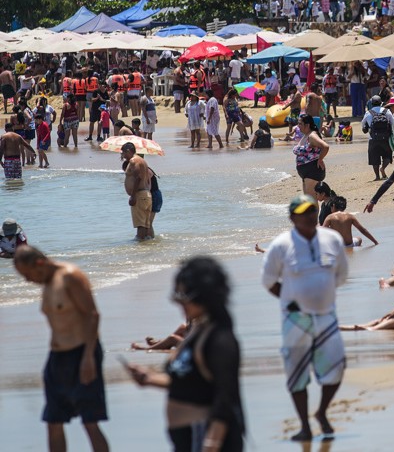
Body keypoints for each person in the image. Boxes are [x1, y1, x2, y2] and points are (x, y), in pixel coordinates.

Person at [125, 257, 245, 451]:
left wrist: (212, 443)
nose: (178, 302)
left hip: (205, 437)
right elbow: (191, 382)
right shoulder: (197, 331)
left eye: (183, 295)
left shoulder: (220, 339)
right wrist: (149, 379)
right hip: (187, 438)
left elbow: (225, 397)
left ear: (204, 294)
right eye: (176, 295)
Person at [262, 195, 348, 441]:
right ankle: (304, 426)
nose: (310, 216)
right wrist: (292, 301)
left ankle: (321, 412)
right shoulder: (281, 245)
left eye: (312, 211)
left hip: (326, 315)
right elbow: (268, 281)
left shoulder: (332, 240)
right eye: (303, 213)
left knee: (337, 367)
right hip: (295, 320)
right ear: (292, 218)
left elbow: (341, 275)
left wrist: (320, 295)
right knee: (296, 374)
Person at [13, 245, 109, 452]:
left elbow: (92, 316)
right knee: (53, 420)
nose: (27, 280)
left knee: (90, 422)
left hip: (82, 353)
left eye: (28, 274)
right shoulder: (47, 284)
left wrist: (88, 358)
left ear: (40, 263)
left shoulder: (70, 276)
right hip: (57, 358)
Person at [121, 141, 152, 240]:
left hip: (140, 195)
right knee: (145, 225)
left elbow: (138, 177)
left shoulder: (134, 161)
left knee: (140, 225)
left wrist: (133, 196)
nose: (123, 156)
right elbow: (148, 178)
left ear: (128, 151)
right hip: (146, 194)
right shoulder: (142, 161)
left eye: (123, 153)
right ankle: (145, 246)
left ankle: (140, 245)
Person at [293, 114, 329, 197]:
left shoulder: (312, 136)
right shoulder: (306, 135)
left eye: (300, 124)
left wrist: (320, 159)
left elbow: (325, 146)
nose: (298, 126)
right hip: (307, 172)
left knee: (311, 200)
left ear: (307, 125)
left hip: (312, 171)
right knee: (308, 200)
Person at [362, 95, 394, 180]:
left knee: (374, 159)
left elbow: (363, 126)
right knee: (387, 156)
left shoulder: (368, 113)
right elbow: (393, 123)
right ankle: (383, 168)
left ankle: (377, 176)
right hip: (386, 139)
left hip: (373, 139)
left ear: (371, 103)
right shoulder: (387, 111)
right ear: (381, 103)